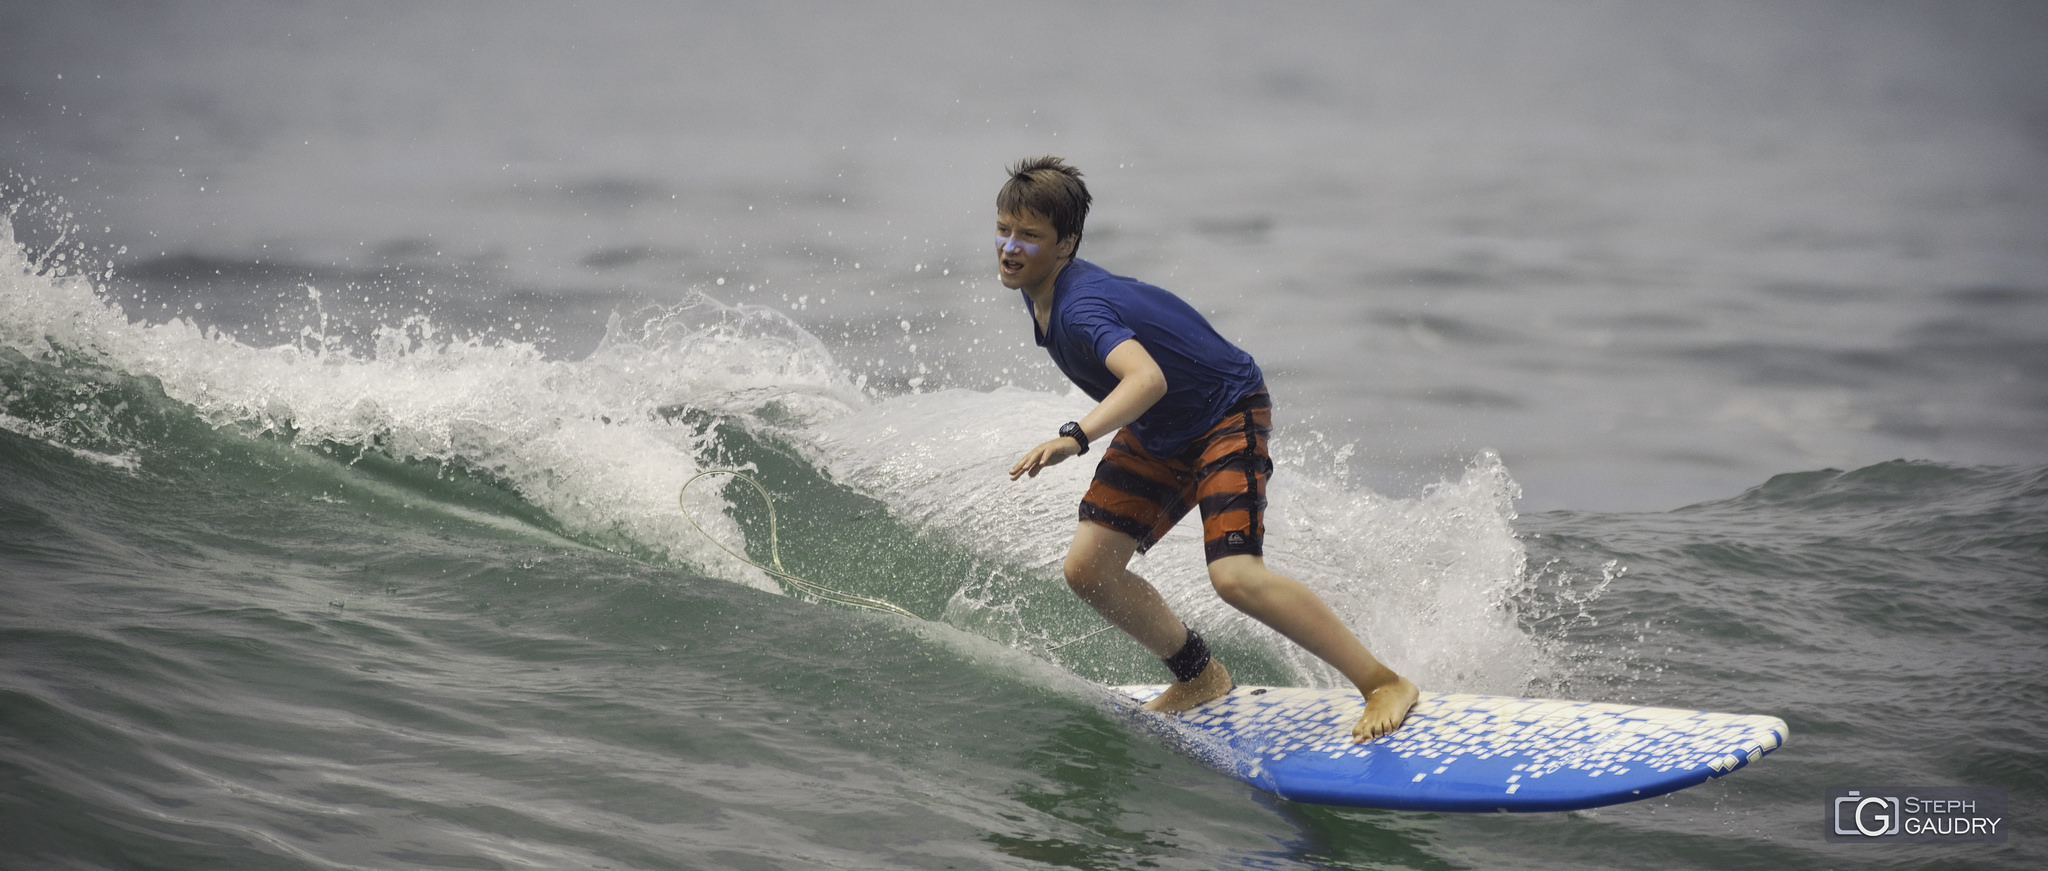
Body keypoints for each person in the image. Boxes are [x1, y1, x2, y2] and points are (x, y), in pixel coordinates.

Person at [996, 155, 1419, 742]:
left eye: (1030, 237)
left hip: (1224, 410)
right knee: (1088, 568)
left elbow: (1146, 379)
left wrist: (1074, 437)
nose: (1010, 248)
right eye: (1004, 230)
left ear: (1066, 244)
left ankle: (1383, 683)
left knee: (1236, 578)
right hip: (1164, 427)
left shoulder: (1078, 308)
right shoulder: (1038, 286)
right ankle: (1199, 677)